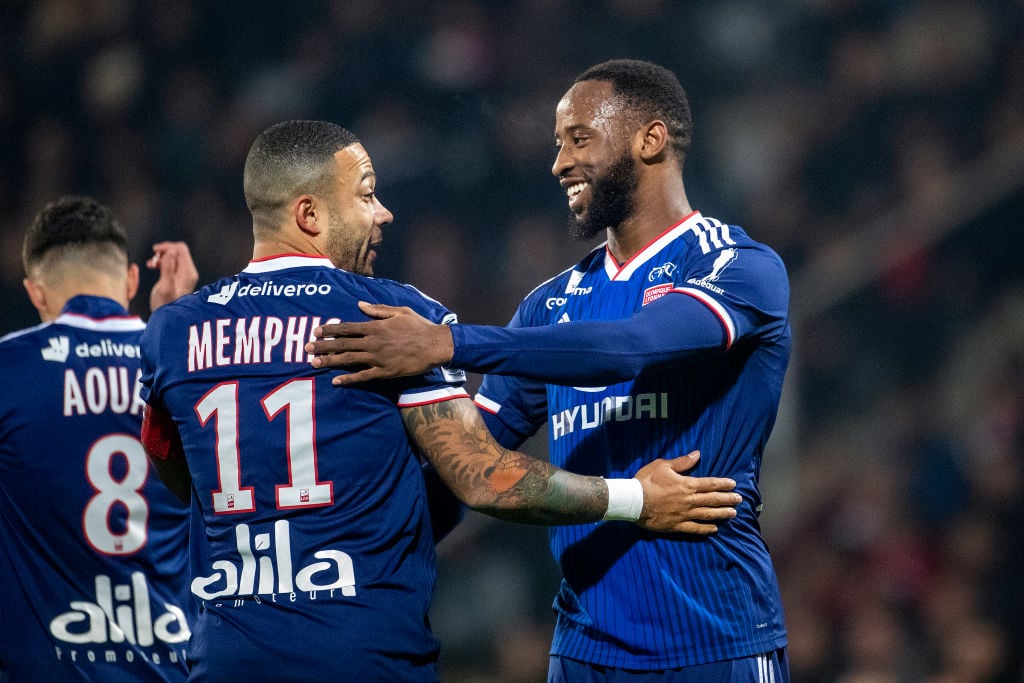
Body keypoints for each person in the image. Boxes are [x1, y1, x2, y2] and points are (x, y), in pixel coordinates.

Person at [136, 119, 742, 682]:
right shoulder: (390, 319)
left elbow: (180, 479)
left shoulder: (172, 331)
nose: (384, 213)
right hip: (360, 653)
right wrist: (636, 498)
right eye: (367, 195)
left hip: (224, 656)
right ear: (310, 213)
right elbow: (482, 478)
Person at [307, 59, 792, 681]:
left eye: (579, 139)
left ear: (650, 139)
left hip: (715, 640)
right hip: (583, 649)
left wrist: (446, 343)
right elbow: (471, 461)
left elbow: (633, 346)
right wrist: (349, 552)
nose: (559, 163)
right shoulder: (549, 304)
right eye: (558, 143)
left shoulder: (737, 267)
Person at [0, 196, 199, 682]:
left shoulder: (8, 370)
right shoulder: (186, 363)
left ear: (35, 292)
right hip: (175, 665)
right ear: (132, 280)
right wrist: (174, 324)